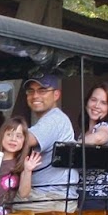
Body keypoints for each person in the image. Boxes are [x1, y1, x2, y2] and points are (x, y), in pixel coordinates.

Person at [21, 72, 76, 203]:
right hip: (49, 193)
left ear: (56, 94)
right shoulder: (51, 119)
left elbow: (26, 139)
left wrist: (4, 135)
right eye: (31, 91)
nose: (35, 96)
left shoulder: (54, 119)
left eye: (42, 90)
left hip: (51, 195)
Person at [79, 81, 108, 209]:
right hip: (79, 193)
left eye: (103, 103)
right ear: (87, 103)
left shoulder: (106, 127)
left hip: (98, 196)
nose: (96, 105)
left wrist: (72, 145)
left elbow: (100, 137)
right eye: (93, 100)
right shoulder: (84, 133)